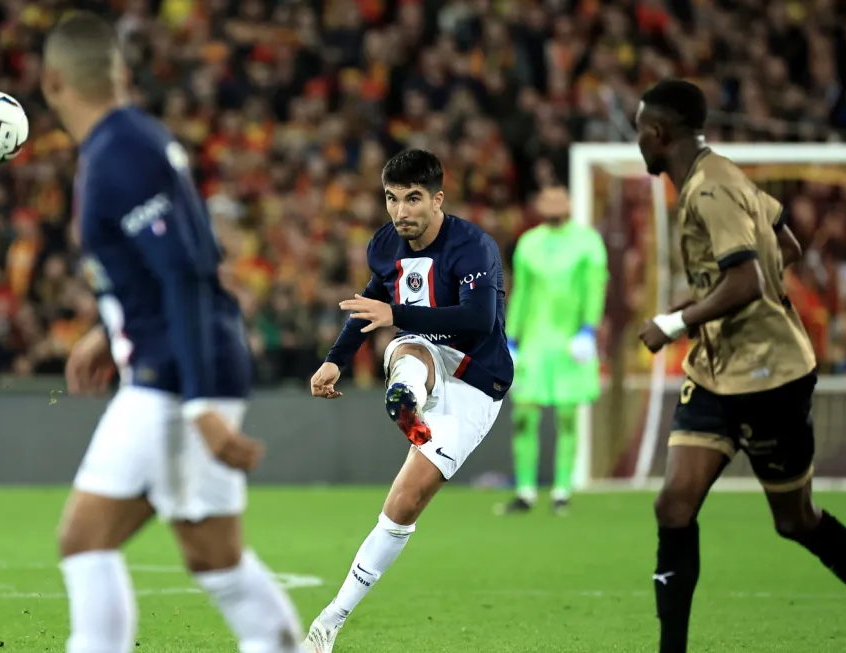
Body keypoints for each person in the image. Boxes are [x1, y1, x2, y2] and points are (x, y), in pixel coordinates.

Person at [42, 12, 307, 653]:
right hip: (178, 362)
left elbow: (186, 276)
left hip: (174, 378)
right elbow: (180, 259)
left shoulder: (118, 155)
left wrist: (202, 408)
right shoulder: (134, 140)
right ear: (122, 75)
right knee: (214, 556)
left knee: (85, 540)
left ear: (52, 83)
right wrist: (112, 331)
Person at [634, 78, 846, 653]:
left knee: (796, 521)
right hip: (715, 371)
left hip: (769, 377)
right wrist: (698, 300)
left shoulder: (709, 190)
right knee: (674, 503)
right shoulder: (726, 175)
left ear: (657, 134)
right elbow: (786, 248)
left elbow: (749, 279)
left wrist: (675, 323)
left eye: (640, 131)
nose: (638, 141)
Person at [304, 149, 514, 653]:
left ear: (438, 199)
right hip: (422, 353)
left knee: (404, 505)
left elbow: (479, 321)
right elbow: (370, 303)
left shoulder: (472, 248)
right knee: (408, 347)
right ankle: (326, 628)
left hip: (477, 381)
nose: (402, 212)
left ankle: (412, 409)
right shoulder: (385, 244)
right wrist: (336, 358)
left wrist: (395, 311)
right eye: (392, 199)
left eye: (414, 199)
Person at [499, 187, 608, 515]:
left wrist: (589, 328)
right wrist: (512, 338)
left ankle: (562, 490)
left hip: (569, 340)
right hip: (534, 340)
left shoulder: (588, 243)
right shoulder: (530, 242)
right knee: (523, 415)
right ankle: (526, 490)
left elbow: (595, 286)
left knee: (567, 416)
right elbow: (522, 293)